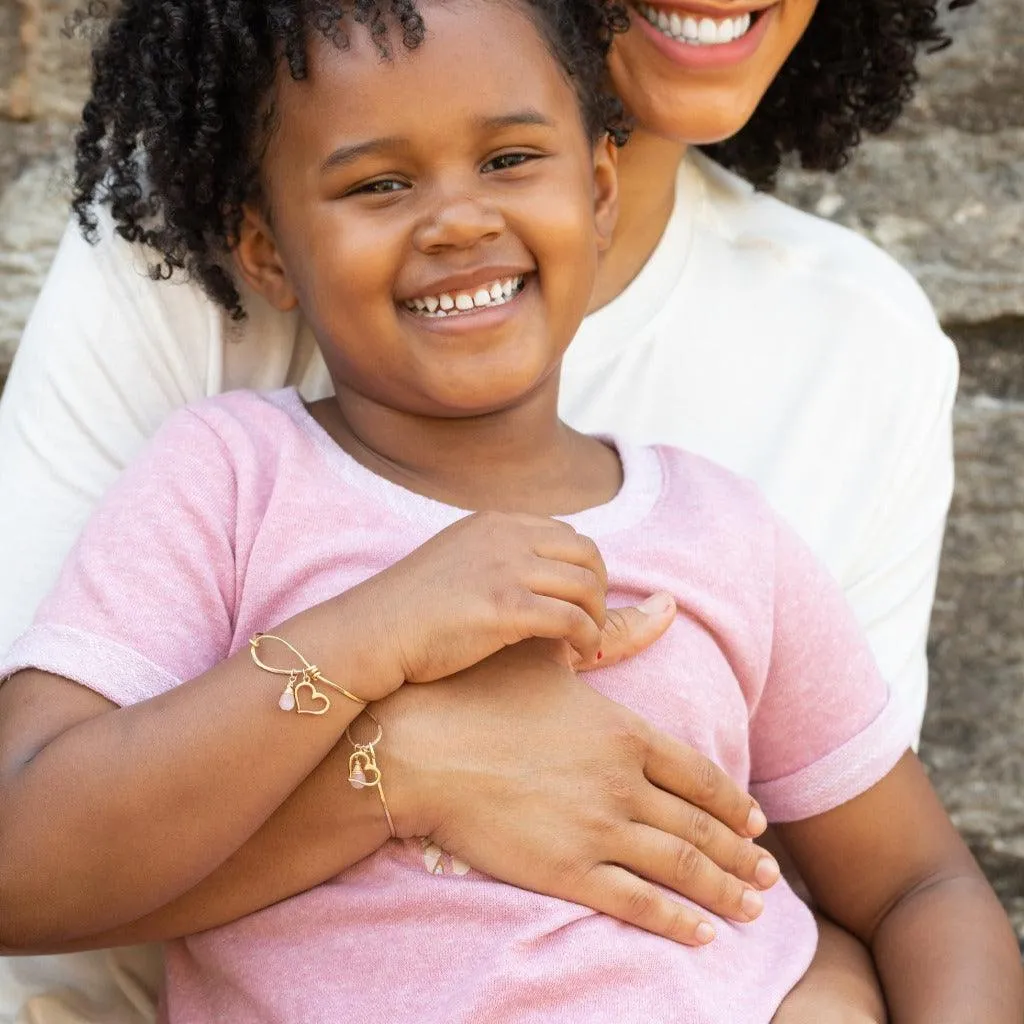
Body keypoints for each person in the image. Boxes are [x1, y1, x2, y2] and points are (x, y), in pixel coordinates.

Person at [1, 3, 1019, 1022]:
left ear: (597, 190)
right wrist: (376, 634)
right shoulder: (228, 481)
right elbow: (19, 859)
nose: (459, 220)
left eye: (509, 159)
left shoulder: (728, 532)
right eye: (380, 183)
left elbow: (914, 885)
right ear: (265, 252)